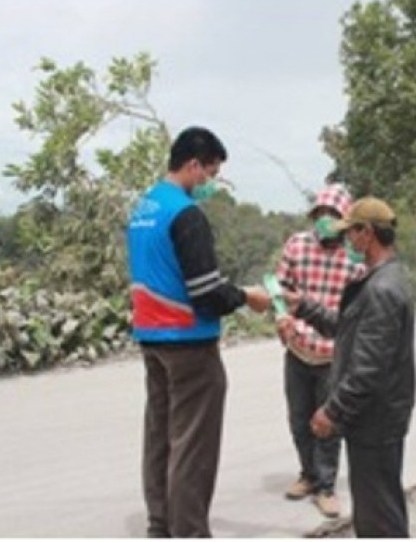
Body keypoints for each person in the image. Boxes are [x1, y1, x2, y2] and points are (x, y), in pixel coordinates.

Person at [126, 126, 271, 538]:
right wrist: (247, 296)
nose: (210, 183)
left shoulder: (144, 207)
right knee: (193, 446)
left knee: (160, 435)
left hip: (152, 338)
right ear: (193, 165)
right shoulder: (186, 214)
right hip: (188, 343)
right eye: (210, 173)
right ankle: (189, 531)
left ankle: (160, 524)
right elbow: (207, 294)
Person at [279, 197, 416, 537]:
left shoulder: (382, 289)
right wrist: (305, 307)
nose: (347, 242)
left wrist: (332, 411)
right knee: (377, 503)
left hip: (377, 418)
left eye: (351, 233)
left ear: (367, 233)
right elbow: (347, 330)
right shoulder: (379, 280)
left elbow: (368, 368)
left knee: (378, 510)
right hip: (376, 417)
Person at [275, 184, 364, 518]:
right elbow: (277, 286)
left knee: (328, 421)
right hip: (298, 349)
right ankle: (308, 475)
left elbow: (359, 308)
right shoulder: (297, 246)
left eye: (333, 215)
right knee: (299, 419)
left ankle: (326, 486)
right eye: (320, 214)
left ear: (345, 221)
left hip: (332, 354)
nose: (325, 221)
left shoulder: (354, 259)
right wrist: (281, 316)